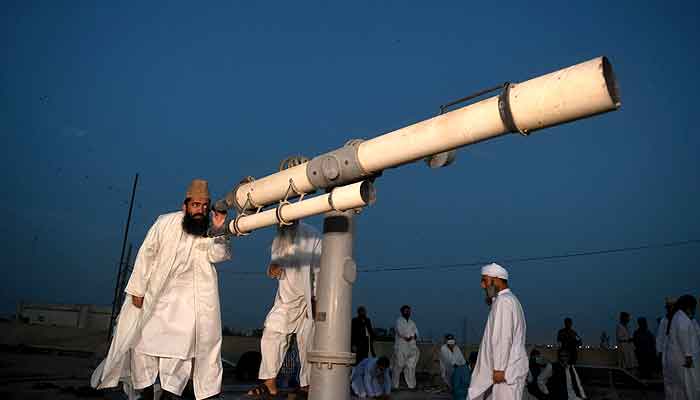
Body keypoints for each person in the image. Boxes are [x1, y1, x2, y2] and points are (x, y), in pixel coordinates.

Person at [91, 179, 232, 400]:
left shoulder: (209, 230)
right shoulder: (164, 223)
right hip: (155, 299)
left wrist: (219, 231)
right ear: (184, 205)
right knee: (141, 346)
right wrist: (137, 289)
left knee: (180, 354)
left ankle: (169, 395)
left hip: (189, 306)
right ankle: (146, 393)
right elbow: (146, 254)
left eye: (205, 206)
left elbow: (219, 255)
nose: (201, 210)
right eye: (196, 205)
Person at [247, 220, 322, 398]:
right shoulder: (279, 238)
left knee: (308, 344)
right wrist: (273, 269)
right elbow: (276, 267)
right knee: (271, 333)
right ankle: (269, 383)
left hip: (308, 301)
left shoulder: (313, 236)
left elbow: (321, 271)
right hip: (286, 299)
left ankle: (307, 385)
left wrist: (317, 299)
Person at [468, 263, 528, 400]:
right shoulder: (507, 300)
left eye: (484, 280)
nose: (482, 285)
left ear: (496, 280)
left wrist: (500, 368)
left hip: (503, 372)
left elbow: (502, 337)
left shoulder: (504, 302)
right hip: (504, 371)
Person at [663, 294, 698, 400]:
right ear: (689, 306)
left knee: (677, 387)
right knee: (688, 386)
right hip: (683, 359)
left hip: (676, 358)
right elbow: (683, 336)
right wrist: (688, 356)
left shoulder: (677, 316)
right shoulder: (682, 317)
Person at [392, 305, 420, 390]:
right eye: (406, 311)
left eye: (409, 311)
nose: (408, 312)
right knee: (399, 366)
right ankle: (394, 385)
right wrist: (409, 336)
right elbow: (401, 332)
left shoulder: (412, 322)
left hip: (411, 347)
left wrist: (414, 336)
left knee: (411, 367)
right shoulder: (399, 321)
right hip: (401, 347)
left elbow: (416, 333)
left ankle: (412, 385)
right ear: (402, 312)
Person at [657, 297, 676, 378]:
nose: (669, 309)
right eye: (668, 307)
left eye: (671, 306)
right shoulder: (664, 320)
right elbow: (660, 338)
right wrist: (659, 352)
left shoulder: (679, 319)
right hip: (666, 352)